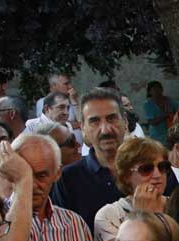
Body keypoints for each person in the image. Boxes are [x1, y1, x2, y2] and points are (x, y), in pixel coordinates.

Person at [51, 89, 132, 229]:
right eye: (94, 121)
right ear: (83, 127)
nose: (105, 129)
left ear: (125, 121)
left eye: (111, 118)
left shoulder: (153, 168)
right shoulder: (67, 179)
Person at [93, 136, 170, 241]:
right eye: (146, 169)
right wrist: (143, 216)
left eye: (162, 167)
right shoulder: (109, 215)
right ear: (126, 176)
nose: (157, 175)